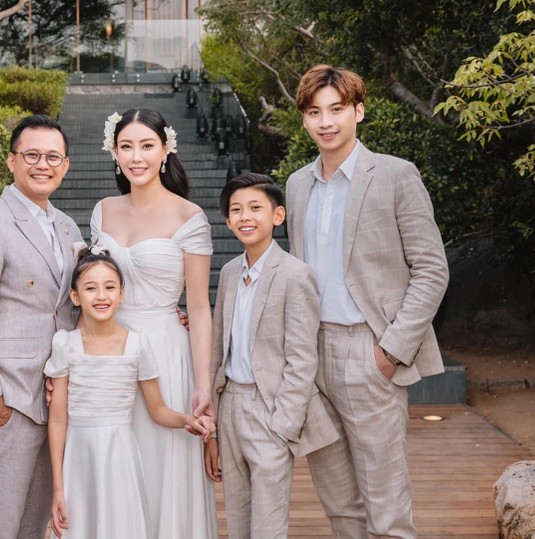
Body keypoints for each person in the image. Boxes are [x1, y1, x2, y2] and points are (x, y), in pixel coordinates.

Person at [285, 65, 450, 539]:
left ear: (358, 111)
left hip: (370, 350)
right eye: (314, 112)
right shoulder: (296, 185)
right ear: (304, 119)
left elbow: (431, 269)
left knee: (387, 509)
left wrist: (391, 351)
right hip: (312, 356)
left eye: (336, 109)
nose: (325, 122)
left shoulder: (396, 175)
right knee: (339, 505)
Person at [91, 108, 218, 539]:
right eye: (126, 146)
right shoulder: (103, 211)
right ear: (114, 152)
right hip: (108, 350)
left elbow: (198, 307)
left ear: (165, 150)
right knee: (111, 462)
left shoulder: (189, 217)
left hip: (166, 352)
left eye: (146, 146)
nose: (136, 156)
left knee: (163, 464)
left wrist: (203, 384)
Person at [0, 114, 84, 539]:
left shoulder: (67, 226)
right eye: (32, 155)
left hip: (56, 393)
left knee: (35, 518)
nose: (42, 165)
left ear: (65, 166)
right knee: (0, 516)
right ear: (11, 161)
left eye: (53, 157)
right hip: (9, 392)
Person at [46, 247, 214, 539]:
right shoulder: (65, 345)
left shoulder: (137, 345)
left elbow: (157, 410)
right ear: (75, 297)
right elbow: (58, 419)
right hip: (79, 459)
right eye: (90, 288)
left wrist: (189, 420)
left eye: (110, 287)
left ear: (122, 294)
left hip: (120, 456)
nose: (101, 296)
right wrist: (58, 487)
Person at [205, 173, 338, 539]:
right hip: (230, 404)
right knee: (238, 517)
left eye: (255, 207)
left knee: (268, 523)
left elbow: (302, 357)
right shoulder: (230, 273)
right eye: (236, 210)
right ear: (227, 220)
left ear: (278, 215)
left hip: (270, 408)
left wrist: (284, 424)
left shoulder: (296, 275)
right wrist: (214, 424)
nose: (245, 217)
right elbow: (219, 346)